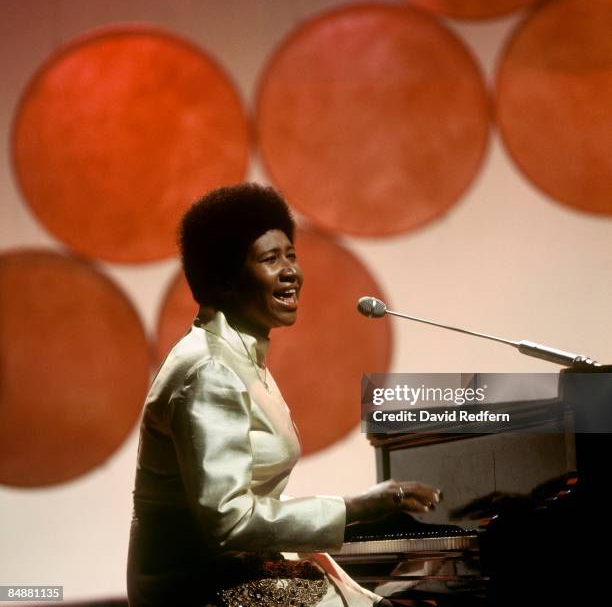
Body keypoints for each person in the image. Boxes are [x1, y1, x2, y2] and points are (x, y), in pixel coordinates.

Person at [127, 183, 440, 606]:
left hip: (231, 568)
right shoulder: (211, 371)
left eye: (291, 255)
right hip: (196, 586)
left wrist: (359, 513)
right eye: (270, 259)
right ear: (226, 279)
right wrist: (358, 508)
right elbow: (230, 521)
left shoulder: (237, 353)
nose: (290, 270)